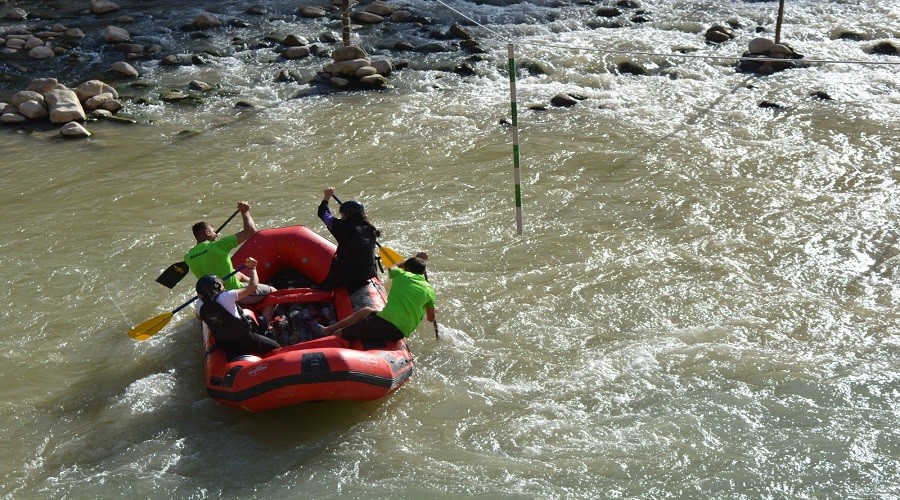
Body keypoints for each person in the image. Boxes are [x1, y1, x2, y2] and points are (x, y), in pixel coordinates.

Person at [185, 200, 276, 321]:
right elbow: (250, 230)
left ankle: (258, 285)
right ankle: (265, 319)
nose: (216, 234)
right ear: (207, 233)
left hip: (214, 297)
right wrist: (245, 211)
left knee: (235, 272)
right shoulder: (219, 246)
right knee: (274, 291)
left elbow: (207, 258)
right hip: (234, 295)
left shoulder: (188, 256)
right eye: (213, 231)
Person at [317, 252, 436, 342]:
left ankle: (325, 342)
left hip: (386, 324)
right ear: (422, 273)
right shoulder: (429, 290)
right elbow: (431, 318)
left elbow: (392, 266)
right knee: (366, 311)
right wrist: (431, 310)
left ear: (407, 268)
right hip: (400, 332)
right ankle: (327, 330)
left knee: (340, 333)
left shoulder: (401, 275)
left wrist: (413, 258)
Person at [196, 257, 281, 359]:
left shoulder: (199, 305)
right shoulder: (227, 296)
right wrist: (252, 268)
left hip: (223, 342)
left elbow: (200, 318)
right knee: (276, 348)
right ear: (216, 288)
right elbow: (253, 286)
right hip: (244, 338)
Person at [316, 187, 380, 291]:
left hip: (348, 275)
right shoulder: (371, 230)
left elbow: (323, 213)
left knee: (323, 288)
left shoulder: (343, 227)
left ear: (349, 214)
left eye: (342, 214)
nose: (341, 218)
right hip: (368, 273)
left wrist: (327, 196)